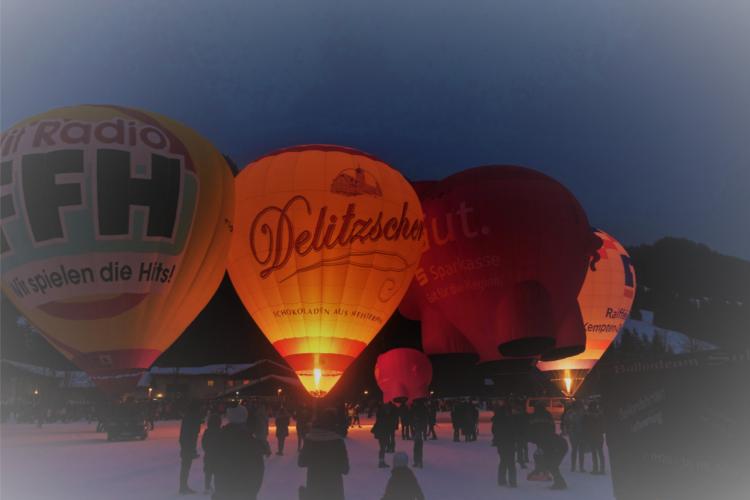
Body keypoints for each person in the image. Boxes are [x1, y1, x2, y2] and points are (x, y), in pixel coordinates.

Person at [213, 405, 270, 500]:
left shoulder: (221, 437)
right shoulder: (251, 441)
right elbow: (258, 470)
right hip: (244, 492)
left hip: (224, 490)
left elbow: (213, 463)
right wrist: (252, 492)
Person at [298, 408, 350, 500]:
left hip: (314, 486)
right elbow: (345, 469)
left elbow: (301, 462)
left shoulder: (310, 440)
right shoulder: (337, 442)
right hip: (334, 488)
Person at [179, 400, 204, 495]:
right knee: (186, 466)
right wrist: (190, 448)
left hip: (187, 444)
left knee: (185, 466)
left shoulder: (189, 416)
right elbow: (192, 433)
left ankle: (183, 486)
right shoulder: (193, 416)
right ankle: (183, 487)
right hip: (188, 444)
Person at [491, 401, 518, 488]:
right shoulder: (511, 419)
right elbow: (514, 430)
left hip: (501, 443)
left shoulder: (497, 419)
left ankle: (501, 480)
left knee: (503, 461)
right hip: (510, 442)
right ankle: (512, 481)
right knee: (511, 462)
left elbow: (494, 431)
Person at [562, 400, 585, 472]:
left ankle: (574, 467)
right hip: (579, 433)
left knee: (575, 449)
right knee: (580, 450)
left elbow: (565, 421)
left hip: (574, 433)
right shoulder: (582, 412)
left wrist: (566, 430)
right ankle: (579, 467)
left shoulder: (570, 412)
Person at [201, 413, 222, 494]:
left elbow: (204, 443)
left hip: (209, 455)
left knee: (208, 472)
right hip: (218, 456)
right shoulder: (221, 432)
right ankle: (217, 488)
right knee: (217, 473)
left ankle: (207, 487)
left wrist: (207, 450)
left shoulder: (207, 431)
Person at [584, 401, 606, 475]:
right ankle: (602, 469)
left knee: (594, 453)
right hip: (599, 435)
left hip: (592, 436)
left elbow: (586, 426)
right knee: (600, 452)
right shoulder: (600, 415)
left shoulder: (588, 416)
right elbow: (603, 426)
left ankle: (595, 469)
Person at [372, 402, 396, 468]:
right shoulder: (384, 417)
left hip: (382, 434)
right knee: (382, 448)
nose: (389, 411)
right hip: (383, 434)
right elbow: (385, 426)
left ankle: (381, 461)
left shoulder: (382, 416)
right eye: (388, 410)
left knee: (382, 448)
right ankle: (381, 462)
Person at [411, 400, 428, 468]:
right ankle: (419, 461)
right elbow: (425, 419)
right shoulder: (423, 408)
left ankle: (417, 461)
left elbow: (413, 417)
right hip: (420, 428)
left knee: (416, 446)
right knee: (419, 446)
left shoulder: (416, 409)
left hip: (417, 428)